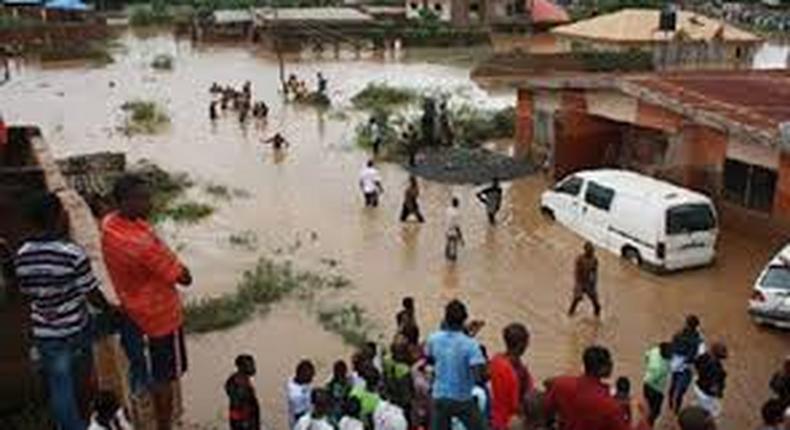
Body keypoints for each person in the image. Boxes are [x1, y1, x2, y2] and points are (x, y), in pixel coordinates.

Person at [15, 192, 118, 430]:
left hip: (45, 333)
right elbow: (91, 294)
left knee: (60, 387)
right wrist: (111, 310)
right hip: (74, 329)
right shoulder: (72, 254)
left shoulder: (22, 255)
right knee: (81, 381)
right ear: (58, 218)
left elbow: (26, 292)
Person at [102, 175, 192, 430]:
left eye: (148, 196)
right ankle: (164, 425)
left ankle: (140, 405)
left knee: (141, 367)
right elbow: (185, 278)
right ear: (122, 202)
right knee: (166, 378)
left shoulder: (110, 225)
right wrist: (170, 258)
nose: (148, 203)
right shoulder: (142, 245)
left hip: (132, 310)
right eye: (141, 198)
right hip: (160, 319)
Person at [425, 299, 488, 430]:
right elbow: (478, 377)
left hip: (439, 397)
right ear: (464, 320)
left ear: (445, 319)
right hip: (462, 399)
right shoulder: (471, 345)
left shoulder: (433, 339)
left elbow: (430, 360)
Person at [544, 345, 630, 430]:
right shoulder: (610, 406)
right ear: (603, 368)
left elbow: (546, 410)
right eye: (609, 362)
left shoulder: (561, 385)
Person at [489, 323, 532, 430]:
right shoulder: (519, 372)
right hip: (510, 422)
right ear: (522, 344)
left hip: (495, 420)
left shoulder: (495, 360)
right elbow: (518, 405)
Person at [668, 315, 705, 414]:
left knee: (674, 386)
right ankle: (675, 409)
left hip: (678, 366)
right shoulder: (698, 339)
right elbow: (698, 356)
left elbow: (672, 348)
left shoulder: (678, 335)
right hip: (687, 368)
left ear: (687, 324)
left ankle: (671, 404)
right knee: (680, 390)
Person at [692, 342, 727, 419]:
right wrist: (718, 393)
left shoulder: (704, 357)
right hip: (706, 392)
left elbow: (696, 363)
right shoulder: (718, 370)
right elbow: (714, 387)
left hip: (698, 384)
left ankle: (699, 407)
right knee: (707, 409)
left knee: (700, 400)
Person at [225, 354, 261, 430]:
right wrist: (244, 423)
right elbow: (236, 407)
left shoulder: (243, 381)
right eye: (250, 365)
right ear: (242, 367)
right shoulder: (238, 384)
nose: (253, 367)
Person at [642, 341, 673, 426]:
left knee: (648, 406)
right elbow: (652, 379)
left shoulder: (655, 350)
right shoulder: (661, 368)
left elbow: (646, 355)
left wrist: (649, 367)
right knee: (656, 411)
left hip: (646, 386)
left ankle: (647, 421)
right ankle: (649, 424)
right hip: (656, 390)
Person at [568, 242, 601, 317]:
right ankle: (570, 314)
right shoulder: (579, 259)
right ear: (585, 250)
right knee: (576, 299)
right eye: (590, 251)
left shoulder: (595, 260)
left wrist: (593, 282)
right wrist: (579, 288)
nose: (592, 252)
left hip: (589, 283)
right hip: (580, 282)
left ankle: (596, 318)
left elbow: (595, 272)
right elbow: (576, 273)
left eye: (592, 250)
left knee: (597, 305)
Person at [288, 359, 316, 428]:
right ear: (302, 375)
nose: (311, 380)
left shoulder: (293, 380)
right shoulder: (296, 395)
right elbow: (299, 416)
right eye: (310, 377)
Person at [445, 197, 463, 262]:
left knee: (448, 243)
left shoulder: (448, 210)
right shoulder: (456, 213)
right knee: (454, 245)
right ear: (457, 204)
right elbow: (457, 225)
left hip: (447, 229)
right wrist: (461, 237)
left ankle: (447, 258)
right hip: (453, 231)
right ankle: (453, 259)